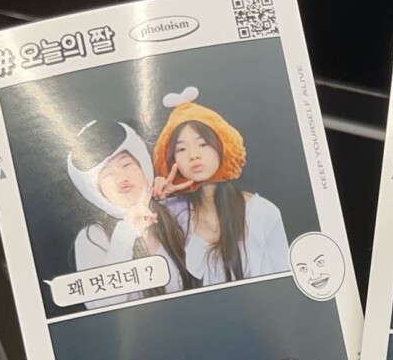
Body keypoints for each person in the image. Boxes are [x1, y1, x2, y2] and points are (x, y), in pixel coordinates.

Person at [152, 87, 290, 282]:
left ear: (221, 145)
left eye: (203, 144)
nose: (194, 155)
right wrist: (154, 201)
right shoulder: (171, 215)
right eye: (181, 149)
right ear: (171, 159)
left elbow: (284, 282)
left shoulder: (262, 213)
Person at [65, 117, 188, 307]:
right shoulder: (92, 237)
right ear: (96, 190)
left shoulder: (175, 213)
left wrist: (180, 194)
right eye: (107, 174)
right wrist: (126, 233)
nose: (121, 177)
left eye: (126, 165)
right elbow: (99, 305)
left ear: (143, 165)